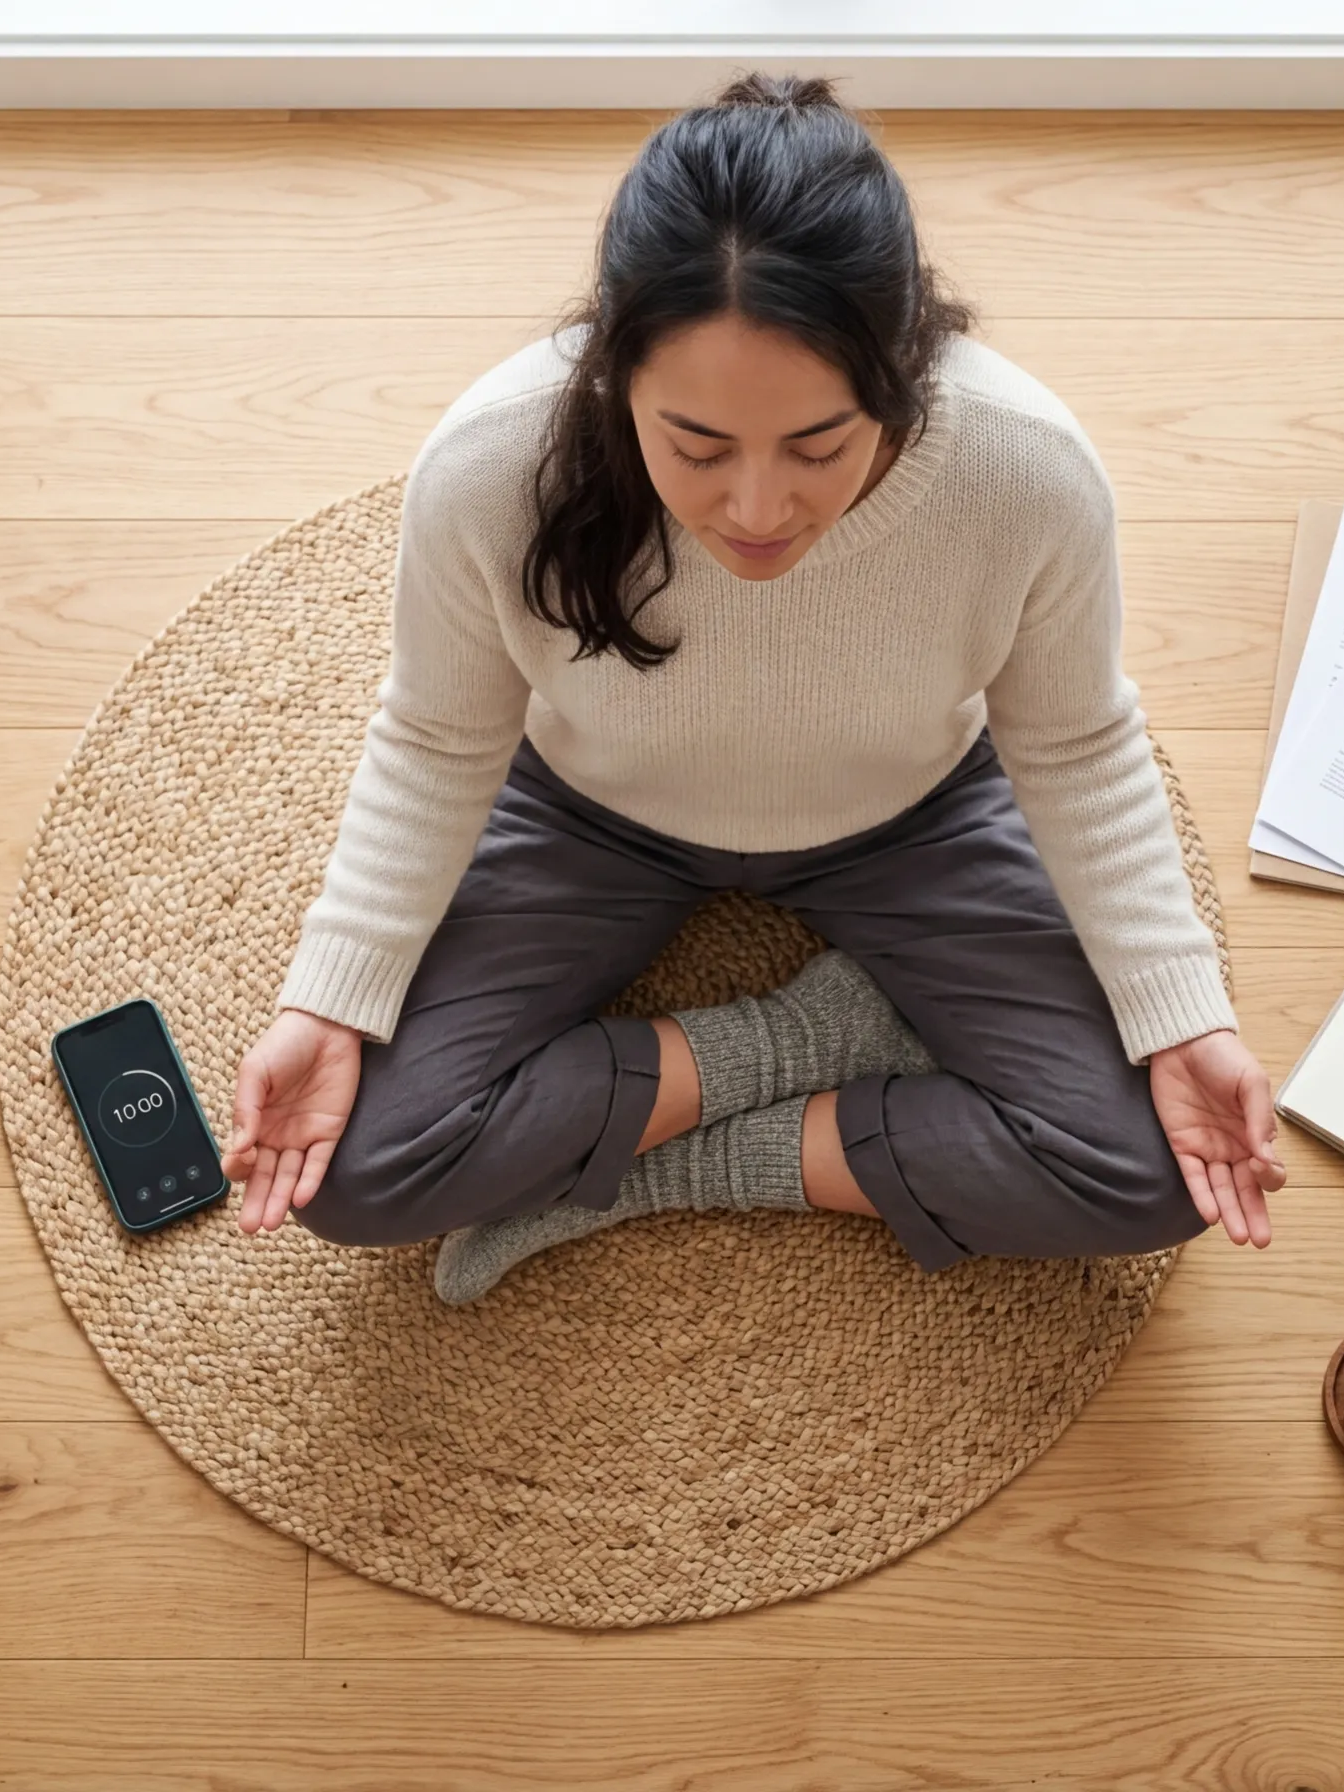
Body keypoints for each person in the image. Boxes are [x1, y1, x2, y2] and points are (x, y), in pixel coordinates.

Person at [221, 74, 1285, 1304]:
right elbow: (436, 735)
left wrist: (1182, 1019)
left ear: (899, 377)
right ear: (614, 371)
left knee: (1159, 1168)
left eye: (822, 446)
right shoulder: (490, 464)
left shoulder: (1027, 472)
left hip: (915, 820)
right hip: (590, 816)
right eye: (698, 446)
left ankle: (683, 1157)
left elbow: (1081, 745)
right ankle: (806, 1039)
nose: (761, 512)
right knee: (347, 1173)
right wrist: (331, 1001)